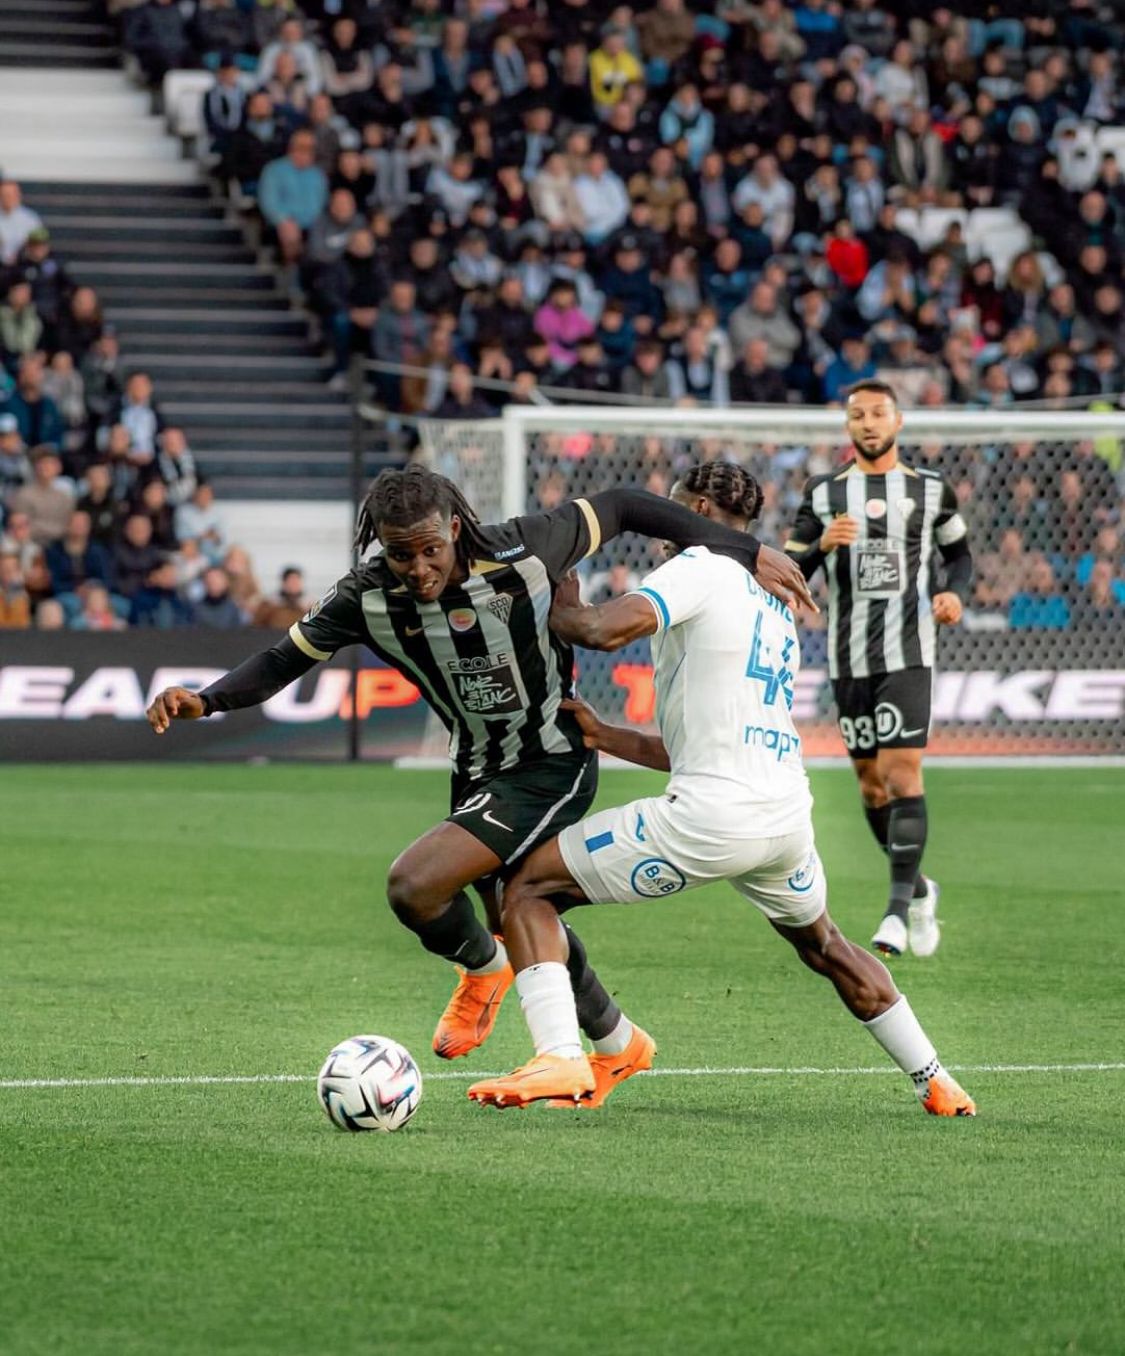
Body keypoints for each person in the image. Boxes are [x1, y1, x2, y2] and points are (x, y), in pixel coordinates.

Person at [145, 467, 814, 1095]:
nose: (418, 568)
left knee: (415, 885)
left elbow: (621, 505)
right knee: (512, 911)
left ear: (454, 529)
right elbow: (281, 658)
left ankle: (485, 973)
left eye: (429, 550)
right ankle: (616, 1041)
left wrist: (740, 550)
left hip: (552, 757)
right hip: (475, 765)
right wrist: (207, 700)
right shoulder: (364, 597)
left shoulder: (524, 549)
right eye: (400, 554)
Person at [466, 461, 975, 1119]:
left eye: (674, 510)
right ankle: (935, 1078)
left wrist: (560, 576)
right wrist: (609, 735)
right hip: (784, 819)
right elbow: (704, 739)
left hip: (709, 820)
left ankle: (563, 1055)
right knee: (825, 944)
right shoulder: (773, 602)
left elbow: (597, 631)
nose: (661, 530)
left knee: (524, 889)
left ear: (699, 508)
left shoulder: (697, 566)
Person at [784, 380, 973, 957]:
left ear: (898, 421)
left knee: (901, 775)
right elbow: (788, 571)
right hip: (847, 661)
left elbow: (958, 555)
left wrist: (953, 595)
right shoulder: (822, 494)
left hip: (909, 654)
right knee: (871, 789)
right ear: (847, 427)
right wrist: (820, 548)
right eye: (857, 415)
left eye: (878, 413)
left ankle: (893, 915)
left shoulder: (931, 490)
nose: (868, 423)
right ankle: (917, 891)